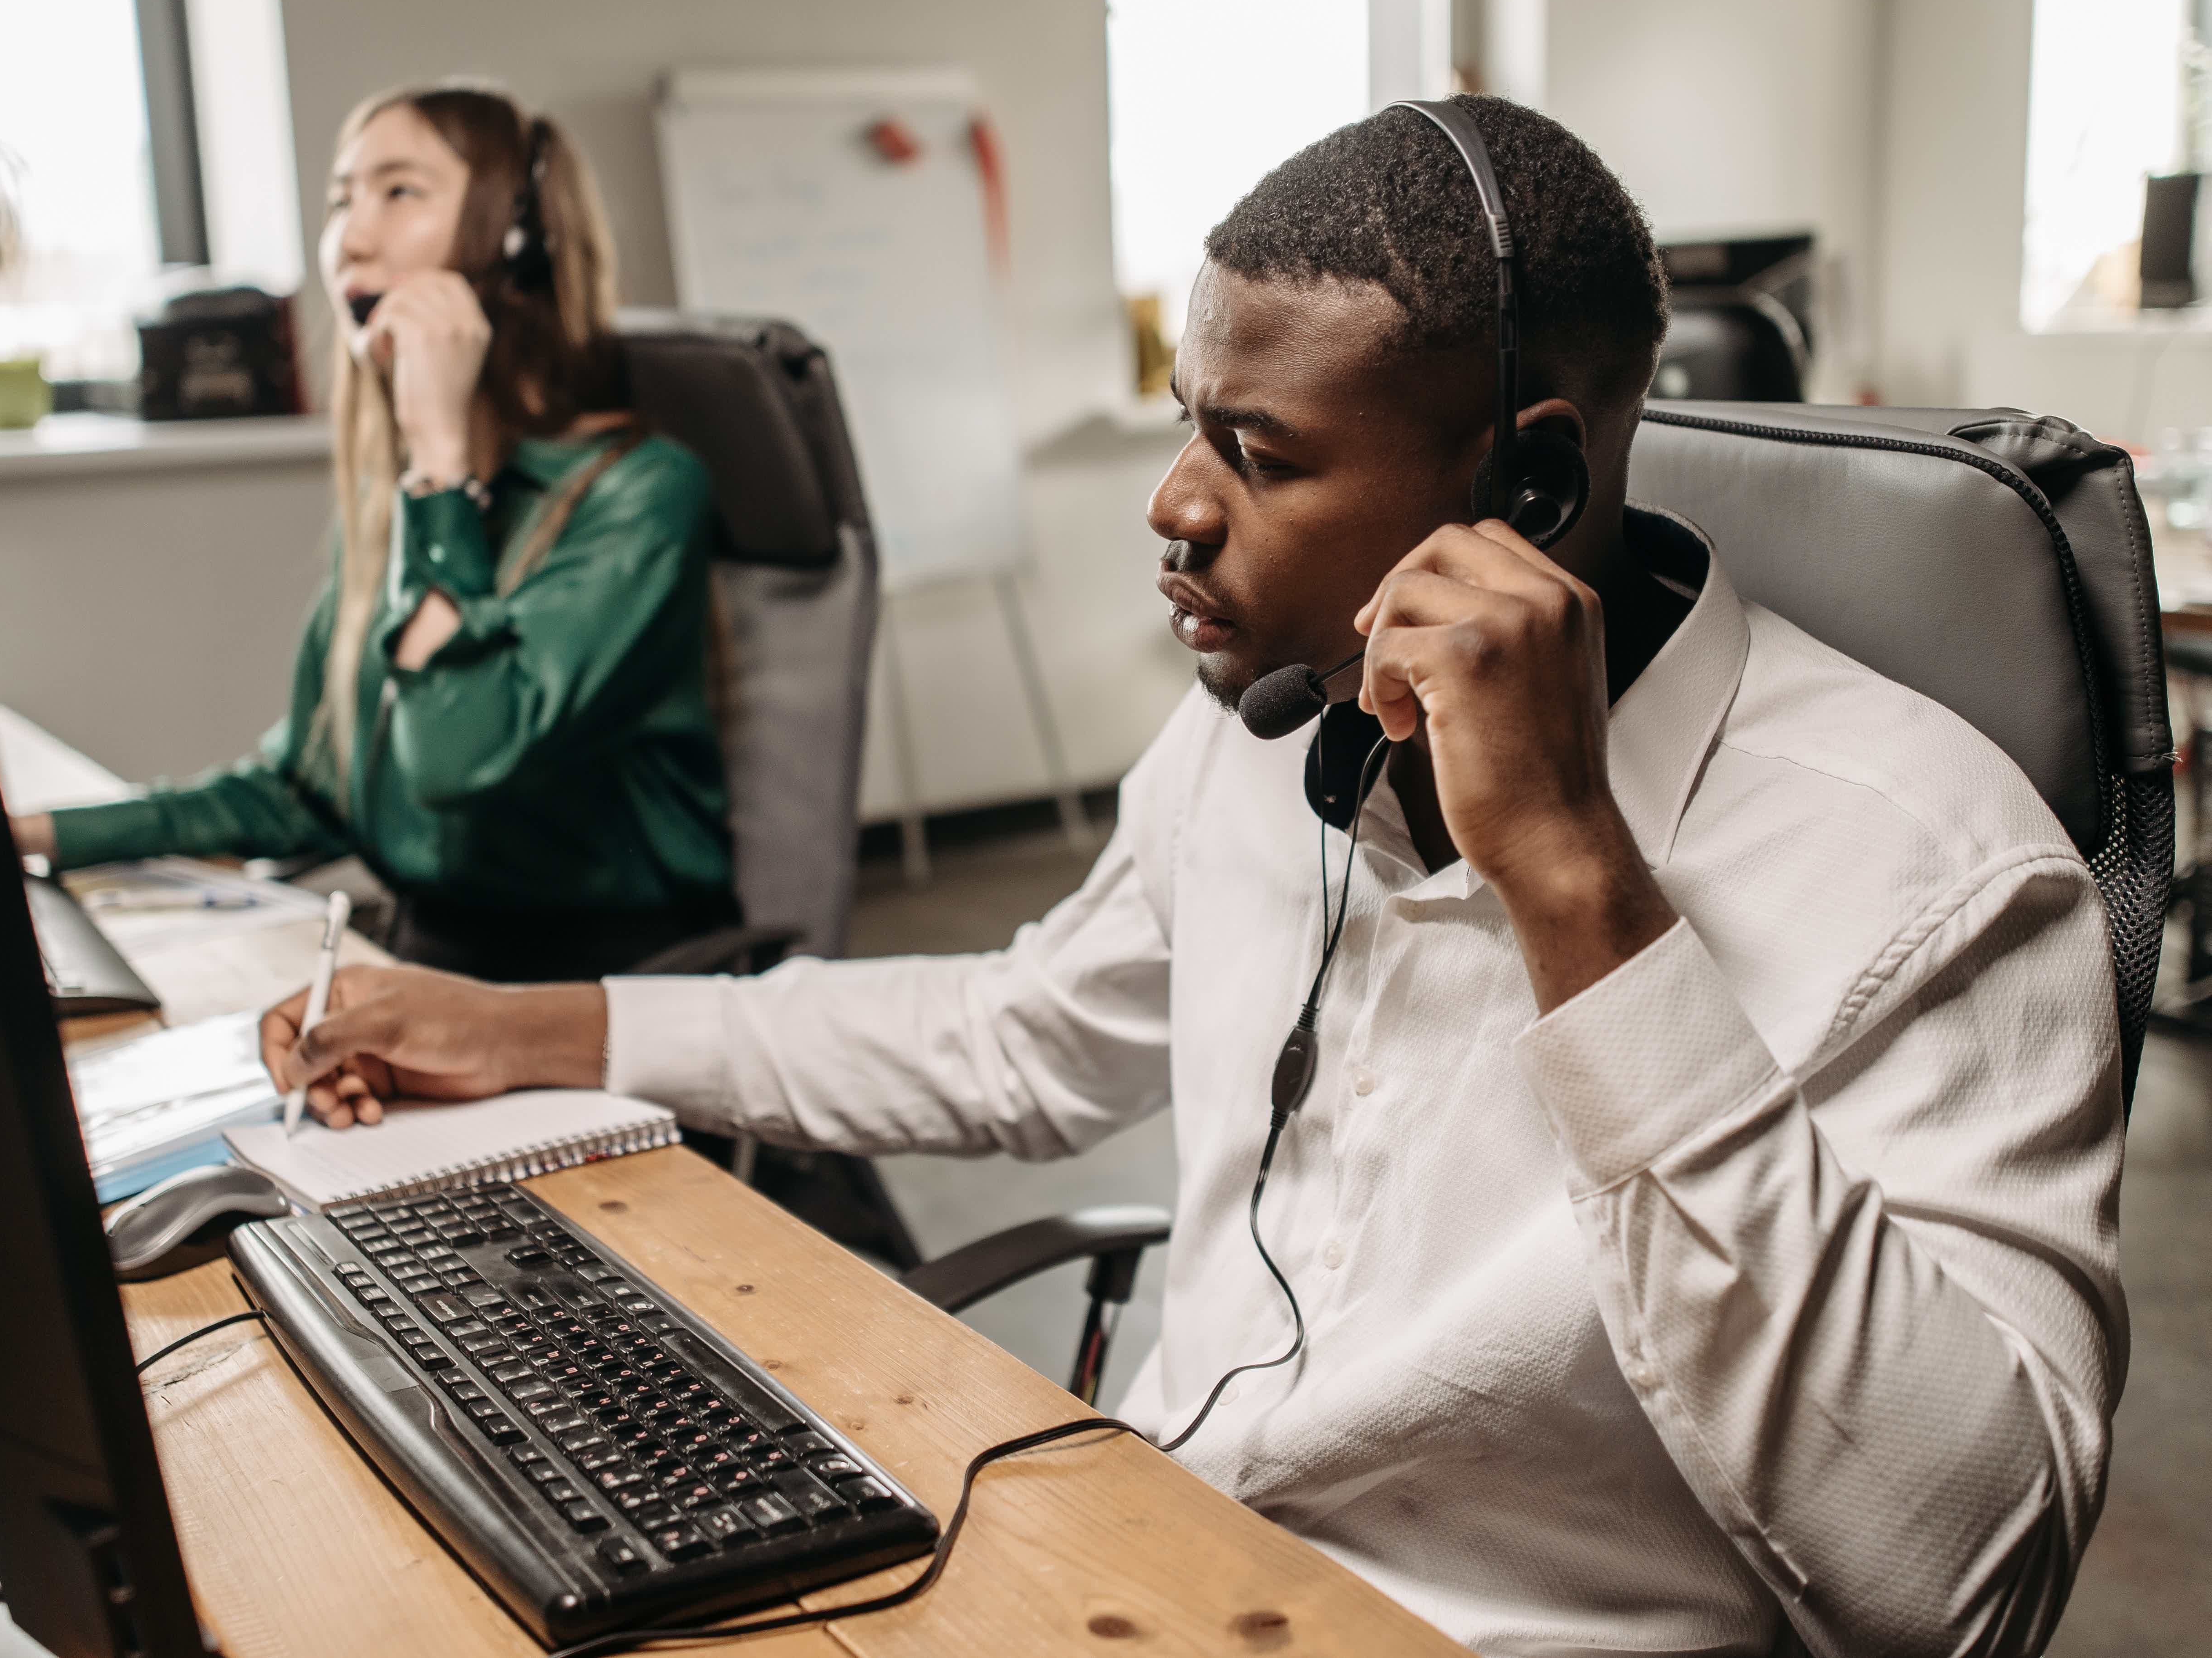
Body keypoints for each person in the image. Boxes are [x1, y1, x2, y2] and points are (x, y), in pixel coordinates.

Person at [256, 97, 2125, 1658]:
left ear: (1533, 495)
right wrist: (529, 1030)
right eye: (1180, 418)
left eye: (1257, 452)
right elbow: (1010, 1041)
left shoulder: (1930, 871)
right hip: (1147, 1578)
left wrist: (1579, 896)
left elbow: (1963, 1586)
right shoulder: (1271, 729)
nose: (1172, 502)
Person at [15, 82, 734, 981]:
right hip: (435, 965)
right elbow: (304, 788)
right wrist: (32, 833)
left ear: (519, 243)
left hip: (610, 983)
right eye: (342, 199)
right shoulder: (401, 503)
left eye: (399, 192)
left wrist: (438, 459)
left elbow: (455, 762)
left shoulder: (637, 495)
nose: (351, 239)